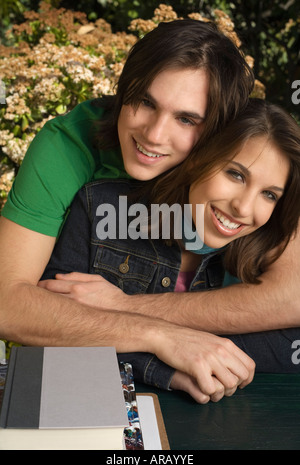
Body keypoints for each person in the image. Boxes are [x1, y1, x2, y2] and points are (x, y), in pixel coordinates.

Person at [0, 19, 257, 403]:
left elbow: (290, 296)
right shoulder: (68, 145)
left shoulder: (251, 167)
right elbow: (7, 303)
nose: (153, 134)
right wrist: (159, 335)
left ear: (217, 132)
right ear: (124, 92)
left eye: (186, 119)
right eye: (144, 102)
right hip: (68, 389)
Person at [40, 99, 300, 402]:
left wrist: (122, 318)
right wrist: (167, 361)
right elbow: (47, 326)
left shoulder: (264, 248)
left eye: (269, 194)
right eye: (235, 175)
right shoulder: (103, 209)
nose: (244, 208)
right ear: (198, 158)